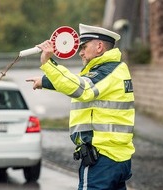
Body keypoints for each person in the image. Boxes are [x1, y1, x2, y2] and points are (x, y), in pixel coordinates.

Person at [26, 23, 135, 190]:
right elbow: (83, 83)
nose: (81, 53)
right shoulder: (113, 70)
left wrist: (47, 62)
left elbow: (82, 88)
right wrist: (46, 81)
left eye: (84, 47)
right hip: (117, 158)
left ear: (99, 46)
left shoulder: (108, 71)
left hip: (102, 159)